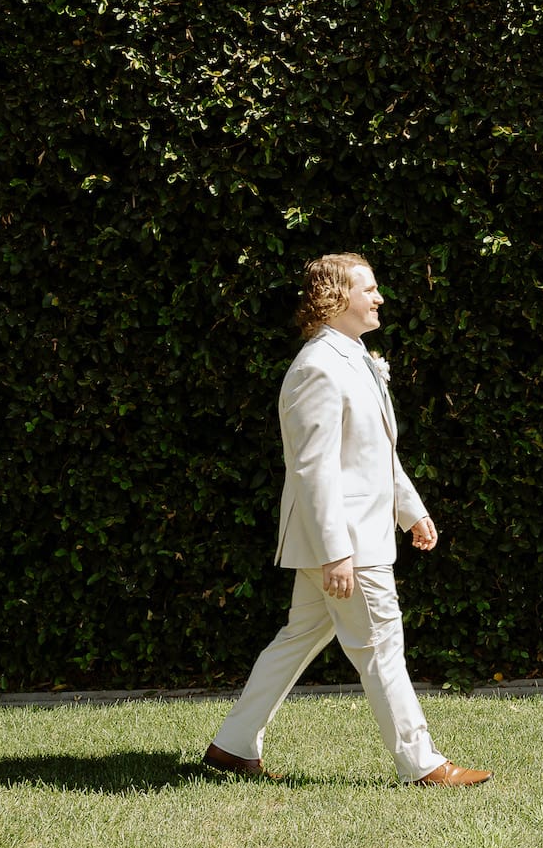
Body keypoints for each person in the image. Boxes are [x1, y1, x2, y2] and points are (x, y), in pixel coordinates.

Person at [205, 253, 490, 786]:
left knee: (297, 639)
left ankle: (232, 746)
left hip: (356, 536)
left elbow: (373, 451)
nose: (379, 298)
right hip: (348, 544)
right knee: (381, 644)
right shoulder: (318, 365)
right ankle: (422, 765)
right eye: (370, 289)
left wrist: (411, 510)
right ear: (336, 298)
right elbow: (314, 469)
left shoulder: (355, 356)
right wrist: (337, 551)